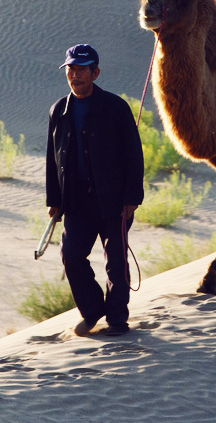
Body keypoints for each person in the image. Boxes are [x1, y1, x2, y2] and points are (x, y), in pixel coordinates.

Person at [46, 43, 144, 337]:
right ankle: (92, 311)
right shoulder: (59, 111)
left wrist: (131, 199)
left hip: (114, 200)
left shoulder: (115, 108)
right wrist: (54, 200)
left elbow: (133, 155)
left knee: (115, 262)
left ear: (95, 72)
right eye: (71, 70)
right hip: (75, 201)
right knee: (71, 256)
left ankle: (117, 320)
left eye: (82, 70)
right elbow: (53, 159)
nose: (75, 76)